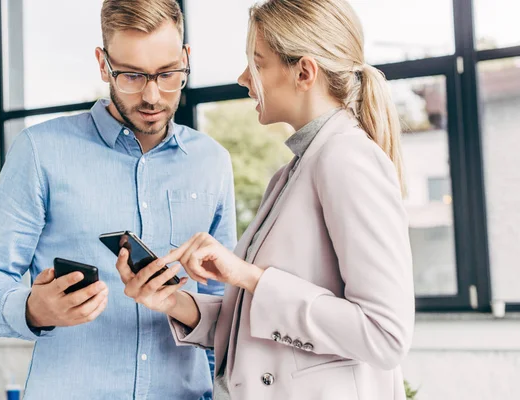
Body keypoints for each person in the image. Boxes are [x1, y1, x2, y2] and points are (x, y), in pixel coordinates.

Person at [116, 0, 415, 399]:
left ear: (304, 72)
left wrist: (248, 276)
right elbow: (256, 322)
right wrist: (172, 300)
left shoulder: (347, 159)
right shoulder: (293, 172)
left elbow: (385, 335)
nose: (243, 78)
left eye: (256, 63)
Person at [0, 0, 236, 398]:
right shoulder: (40, 151)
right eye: (130, 76)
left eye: (167, 74)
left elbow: (224, 306)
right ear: (102, 63)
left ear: (186, 58)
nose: (152, 96)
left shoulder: (212, 162)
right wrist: (33, 309)